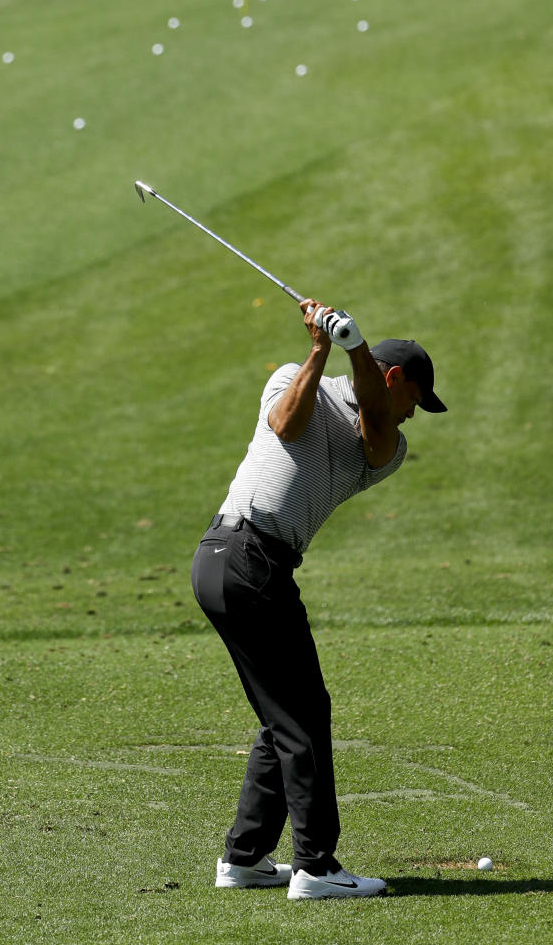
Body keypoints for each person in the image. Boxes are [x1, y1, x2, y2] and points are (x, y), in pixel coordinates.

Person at [191, 298, 446, 901]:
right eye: (416, 399)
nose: (413, 415)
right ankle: (316, 866)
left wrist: (355, 347)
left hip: (249, 566)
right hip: (239, 557)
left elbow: (379, 431)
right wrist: (320, 349)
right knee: (303, 717)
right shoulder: (291, 376)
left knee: (286, 716)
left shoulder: (384, 446)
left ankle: (245, 858)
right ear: (395, 379)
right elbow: (287, 424)